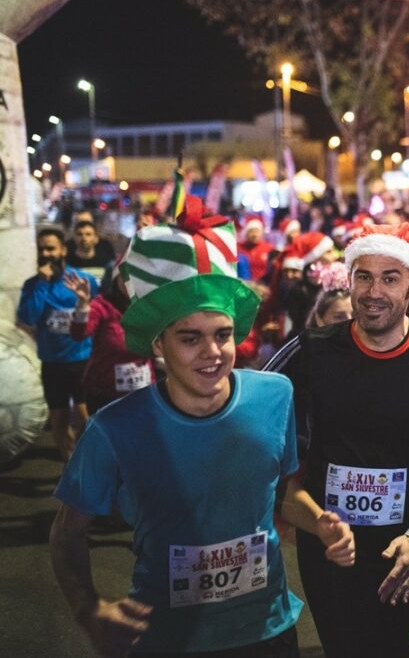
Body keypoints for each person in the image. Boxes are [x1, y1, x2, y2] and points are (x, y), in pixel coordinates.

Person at [49, 196, 355, 657]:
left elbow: (284, 495)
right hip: (166, 639)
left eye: (222, 334)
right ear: (158, 343)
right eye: (190, 339)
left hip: (269, 632)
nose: (212, 352)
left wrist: (322, 524)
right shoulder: (116, 428)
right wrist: (87, 607)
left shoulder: (275, 395)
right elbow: (68, 529)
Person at [266, 223, 409, 658]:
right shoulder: (314, 346)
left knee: (390, 648)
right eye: (363, 276)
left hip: (405, 541)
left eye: (390, 278)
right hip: (329, 540)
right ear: (349, 281)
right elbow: (247, 400)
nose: (373, 291)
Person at [18, 226, 100, 459]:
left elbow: (100, 312)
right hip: (52, 363)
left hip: (82, 359)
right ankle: (68, 464)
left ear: (63, 250)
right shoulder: (33, 285)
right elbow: (29, 318)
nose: (46, 253)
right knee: (58, 418)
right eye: (42, 249)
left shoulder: (84, 280)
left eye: (51, 248)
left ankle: (94, 458)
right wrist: (42, 283)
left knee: (87, 417)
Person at [66, 267, 155, 415]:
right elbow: (79, 333)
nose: (130, 283)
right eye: (125, 277)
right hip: (105, 394)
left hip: (144, 392)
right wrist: (82, 304)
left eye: (137, 278)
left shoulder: (150, 307)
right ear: (116, 279)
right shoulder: (102, 305)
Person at [304, 261, 352, 329]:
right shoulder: (304, 339)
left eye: (355, 315)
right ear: (319, 320)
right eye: (339, 317)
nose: (350, 322)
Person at [65, 220, 113, 284]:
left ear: (96, 238)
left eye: (88, 234)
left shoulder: (106, 261)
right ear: (74, 238)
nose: (84, 238)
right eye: (80, 234)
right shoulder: (66, 261)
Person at [237, 216, 274, 283]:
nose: (254, 234)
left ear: (261, 232)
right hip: (244, 285)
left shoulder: (269, 248)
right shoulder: (239, 248)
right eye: (251, 231)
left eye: (257, 231)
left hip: (263, 286)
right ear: (246, 233)